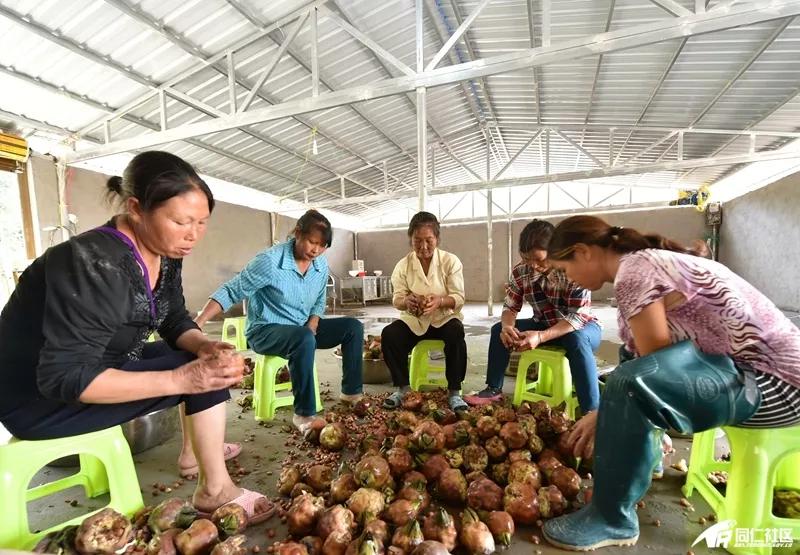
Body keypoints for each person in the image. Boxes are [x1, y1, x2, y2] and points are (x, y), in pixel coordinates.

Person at [0, 151, 273, 522]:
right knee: (194, 373)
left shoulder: (165, 251)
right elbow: (63, 376)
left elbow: (173, 317)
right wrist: (179, 379)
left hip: (104, 364)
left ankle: (197, 459)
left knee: (205, 363)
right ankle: (216, 490)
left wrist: (204, 344)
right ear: (135, 208)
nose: (193, 234)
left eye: (202, 222)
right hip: (38, 400)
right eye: (180, 221)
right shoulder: (94, 264)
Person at [541, 215, 800, 551]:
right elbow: (654, 355)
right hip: (755, 374)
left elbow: (653, 371)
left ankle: (611, 519)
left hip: (776, 387)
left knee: (630, 382)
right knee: (629, 359)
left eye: (564, 269)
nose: (568, 279)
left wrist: (605, 413)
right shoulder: (644, 262)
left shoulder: (634, 272)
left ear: (583, 251)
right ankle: (645, 458)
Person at [195, 210, 363, 433]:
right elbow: (232, 290)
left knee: (353, 327)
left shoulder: (320, 265)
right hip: (265, 330)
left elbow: (320, 298)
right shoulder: (270, 262)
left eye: (322, 245)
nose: (316, 250)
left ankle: (351, 392)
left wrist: (313, 322)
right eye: (312, 242)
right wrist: (198, 323)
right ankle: (304, 414)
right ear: (297, 234)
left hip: (303, 327)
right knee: (303, 339)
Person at [465, 219, 602, 416]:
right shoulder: (521, 271)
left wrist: (540, 337)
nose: (534, 266)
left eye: (539, 260)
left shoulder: (574, 269)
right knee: (498, 330)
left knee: (577, 339)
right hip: (544, 324)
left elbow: (577, 318)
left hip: (581, 328)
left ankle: (591, 411)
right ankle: (493, 390)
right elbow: (510, 307)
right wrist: (507, 327)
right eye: (527, 259)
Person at [381, 212, 468, 411]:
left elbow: (459, 298)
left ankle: (454, 392)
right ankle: (402, 389)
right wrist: (407, 301)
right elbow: (397, 299)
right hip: (415, 320)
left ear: (437, 239)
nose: (423, 246)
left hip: (443, 319)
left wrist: (440, 301)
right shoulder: (403, 265)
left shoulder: (450, 261)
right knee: (390, 334)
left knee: (456, 332)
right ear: (410, 240)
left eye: (429, 240)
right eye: (417, 241)